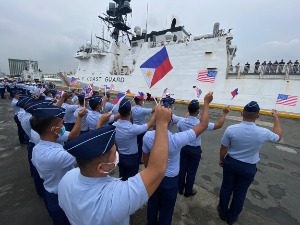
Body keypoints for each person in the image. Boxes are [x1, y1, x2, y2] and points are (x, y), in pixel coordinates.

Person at [58, 105, 172, 225]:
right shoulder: (115, 198)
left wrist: (100, 124)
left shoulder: (68, 177)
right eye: (114, 153)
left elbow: (93, 150)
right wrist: (162, 125)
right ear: (101, 168)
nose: (117, 153)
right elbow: (157, 170)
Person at [142, 92, 213, 225]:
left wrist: (150, 173)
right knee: (167, 209)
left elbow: (145, 159)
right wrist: (206, 102)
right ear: (171, 121)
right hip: (170, 180)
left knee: (152, 205)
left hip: (153, 177)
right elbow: (203, 125)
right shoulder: (176, 139)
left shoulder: (147, 136)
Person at [218, 101, 282, 225]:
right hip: (248, 167)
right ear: (257, 116)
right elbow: (278, 136)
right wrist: (276, 117)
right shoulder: (263, 132)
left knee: (226, 188)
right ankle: (232, 218)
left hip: (231, 163)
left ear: (242, 113)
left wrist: (222, 159)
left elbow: (223, 147)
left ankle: (222, 213)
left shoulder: (231, 129)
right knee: (240, 194)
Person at [30, 104, 87, 225]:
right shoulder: (55, 156)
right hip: (62, 197)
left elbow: (72, 135)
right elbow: (85, 153)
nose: (63, 126)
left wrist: (80, 117)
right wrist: (99, 126)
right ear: (53, 129)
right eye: (61, 123)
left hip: (51, 191)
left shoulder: (39, 147)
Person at [177, 100, 230, 197]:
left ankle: (180, 189)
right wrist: (224, 113)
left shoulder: (181, 122)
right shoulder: (201, 124)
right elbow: (219, 125)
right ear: (198, 112)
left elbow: (179, 133)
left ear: (188, 110)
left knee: (181, 169)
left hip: (183, 148)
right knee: (191, 171)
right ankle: (188, 191)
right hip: (195, 150)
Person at [113, 98, 155, 181]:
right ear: (130, 112)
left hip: (120, 156)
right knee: (132, 180)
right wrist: (156, 113)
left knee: (122, 177)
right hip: (132, 158)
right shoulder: (132, 129)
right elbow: (149, 124)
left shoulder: (114, 126)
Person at [131, 94, 155, 164]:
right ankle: (138, 159)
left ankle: (135, 158)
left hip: (135, 128)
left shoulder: (132, 109)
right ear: (140, 101)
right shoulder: (142, 110)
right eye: (142, 100)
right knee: (141, 145)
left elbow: (131, 119)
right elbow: (153, 110)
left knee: (135, 144)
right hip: (142, 130)